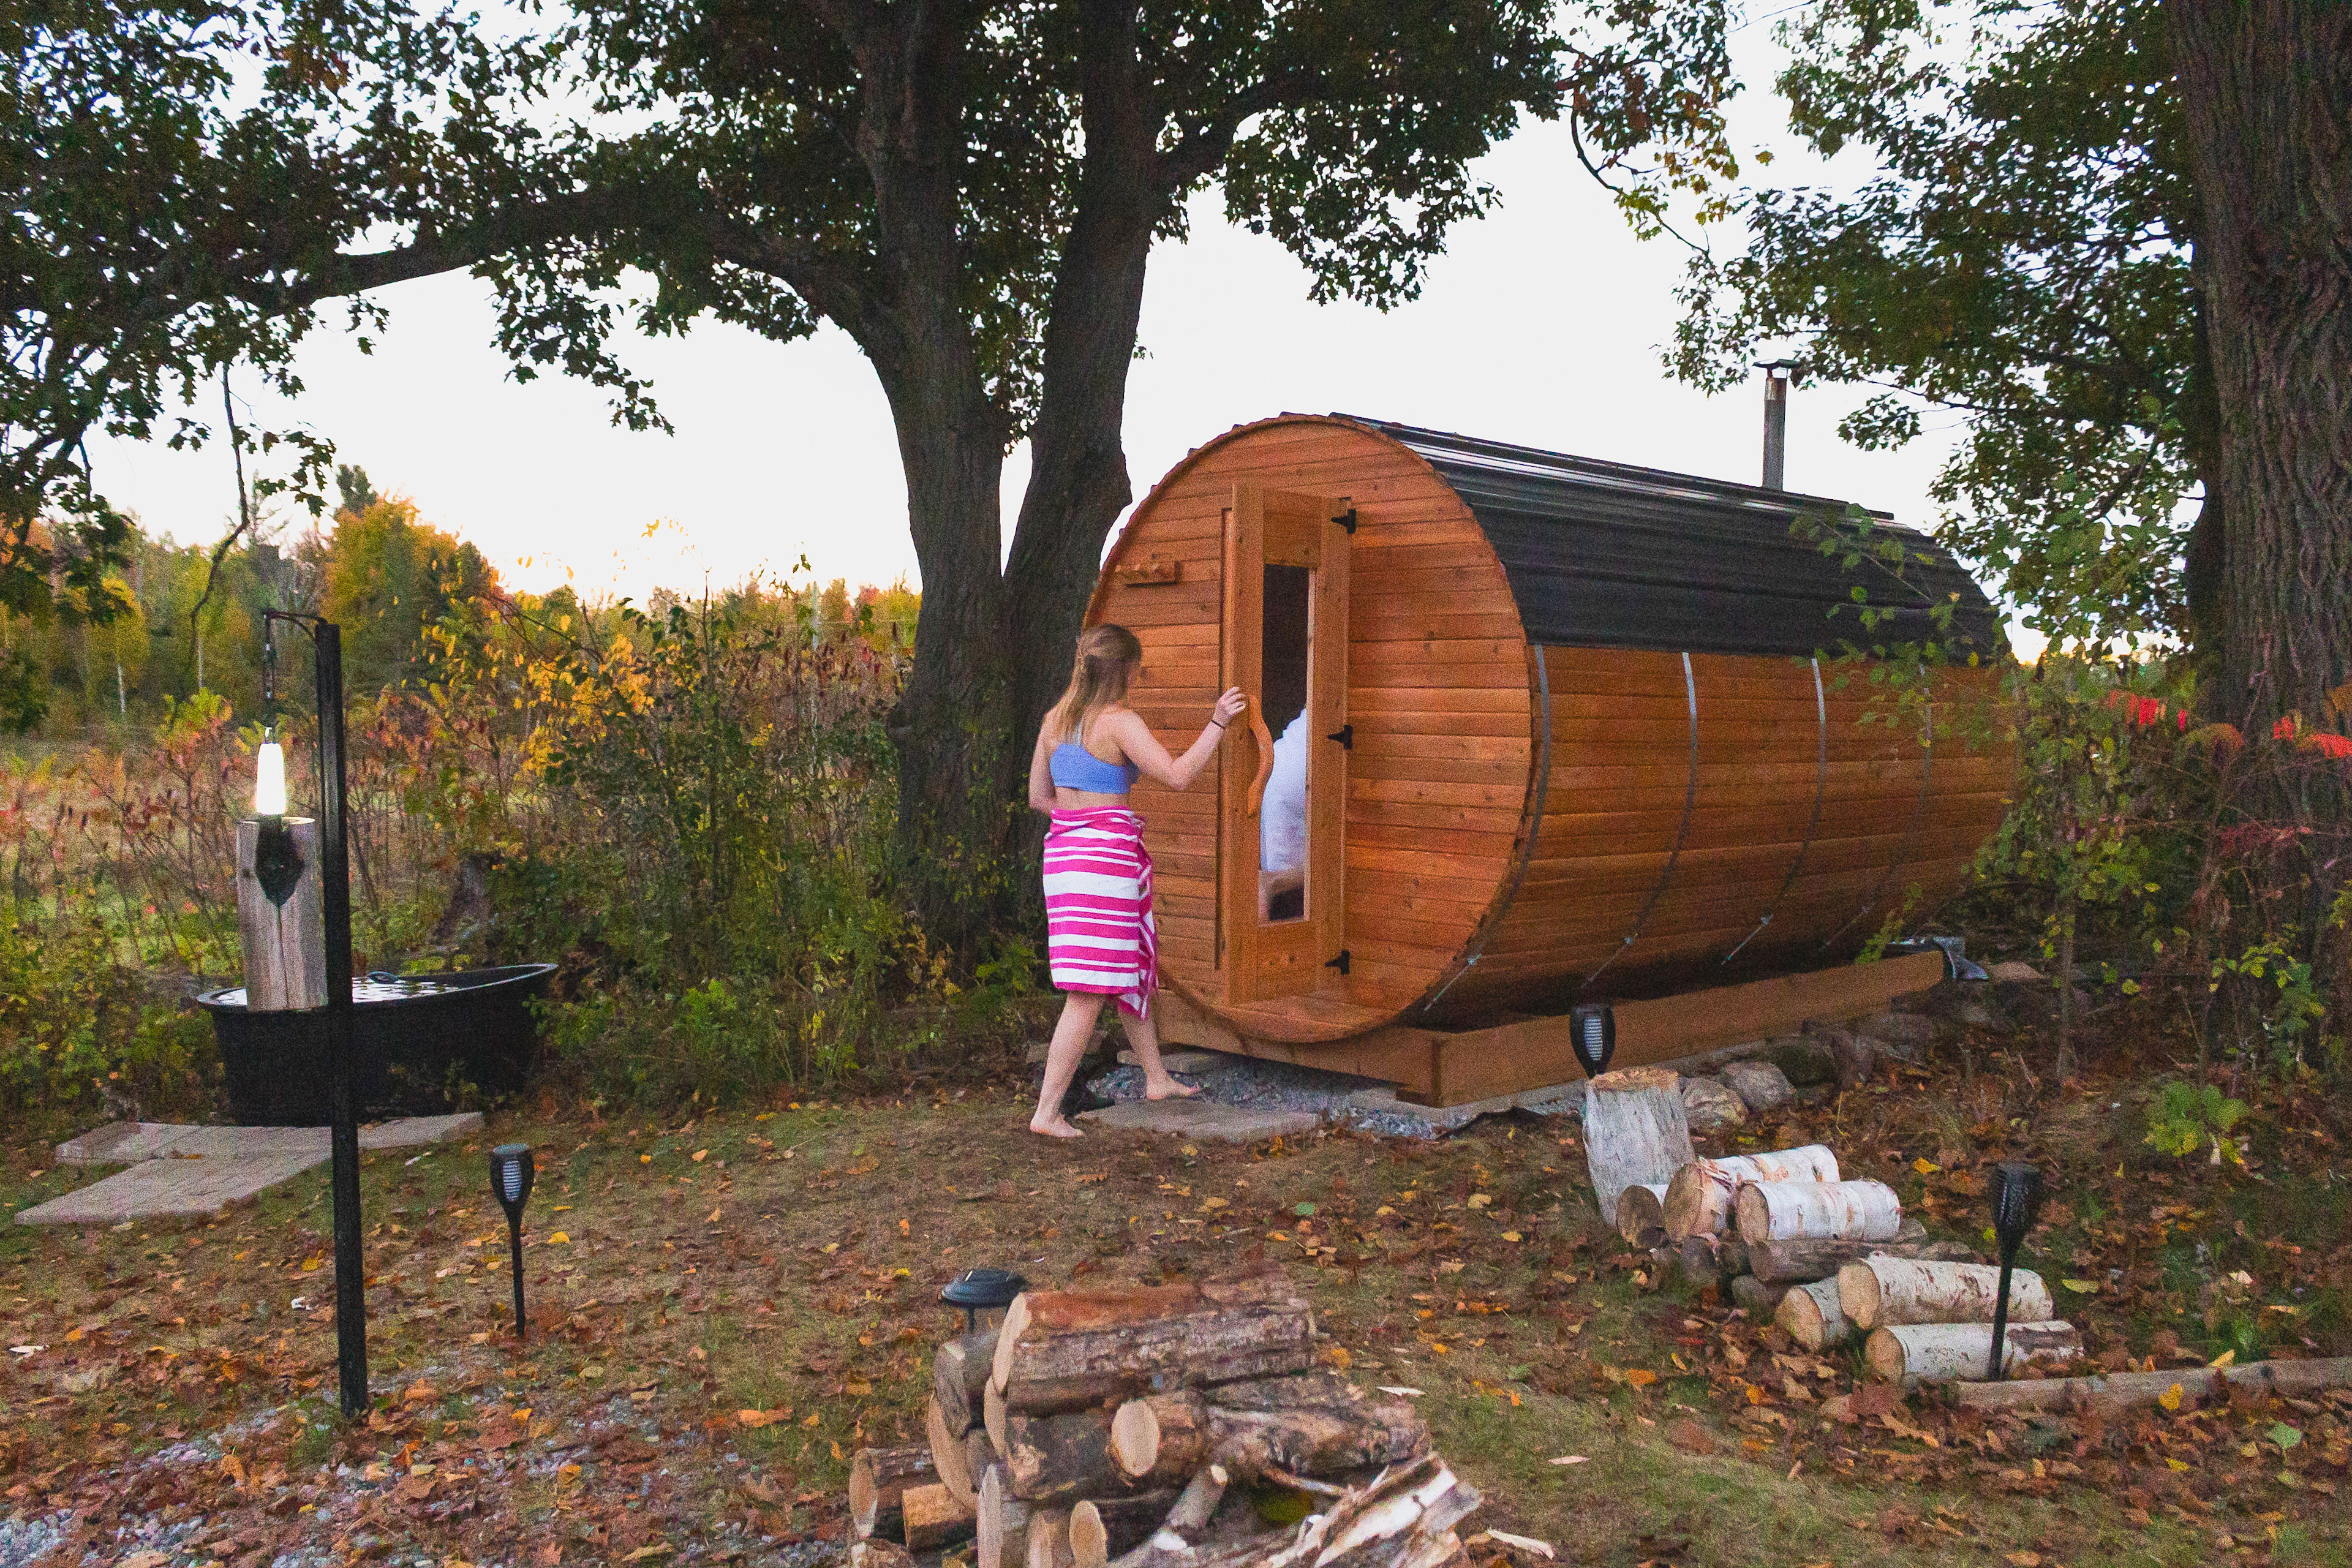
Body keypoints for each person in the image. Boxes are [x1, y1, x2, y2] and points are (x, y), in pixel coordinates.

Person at [1027, 624, 1246, 1138]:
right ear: (1125, 669)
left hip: (1065, 862)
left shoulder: (1053, 721)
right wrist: (1218, 722)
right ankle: (1047, 1113)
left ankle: (1155, 1077)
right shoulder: (1120, 723)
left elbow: (1039, 797)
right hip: (1105, 866)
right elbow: (1177, 775)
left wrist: (1080, 820)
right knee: (1088, 991)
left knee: (1128, 964)